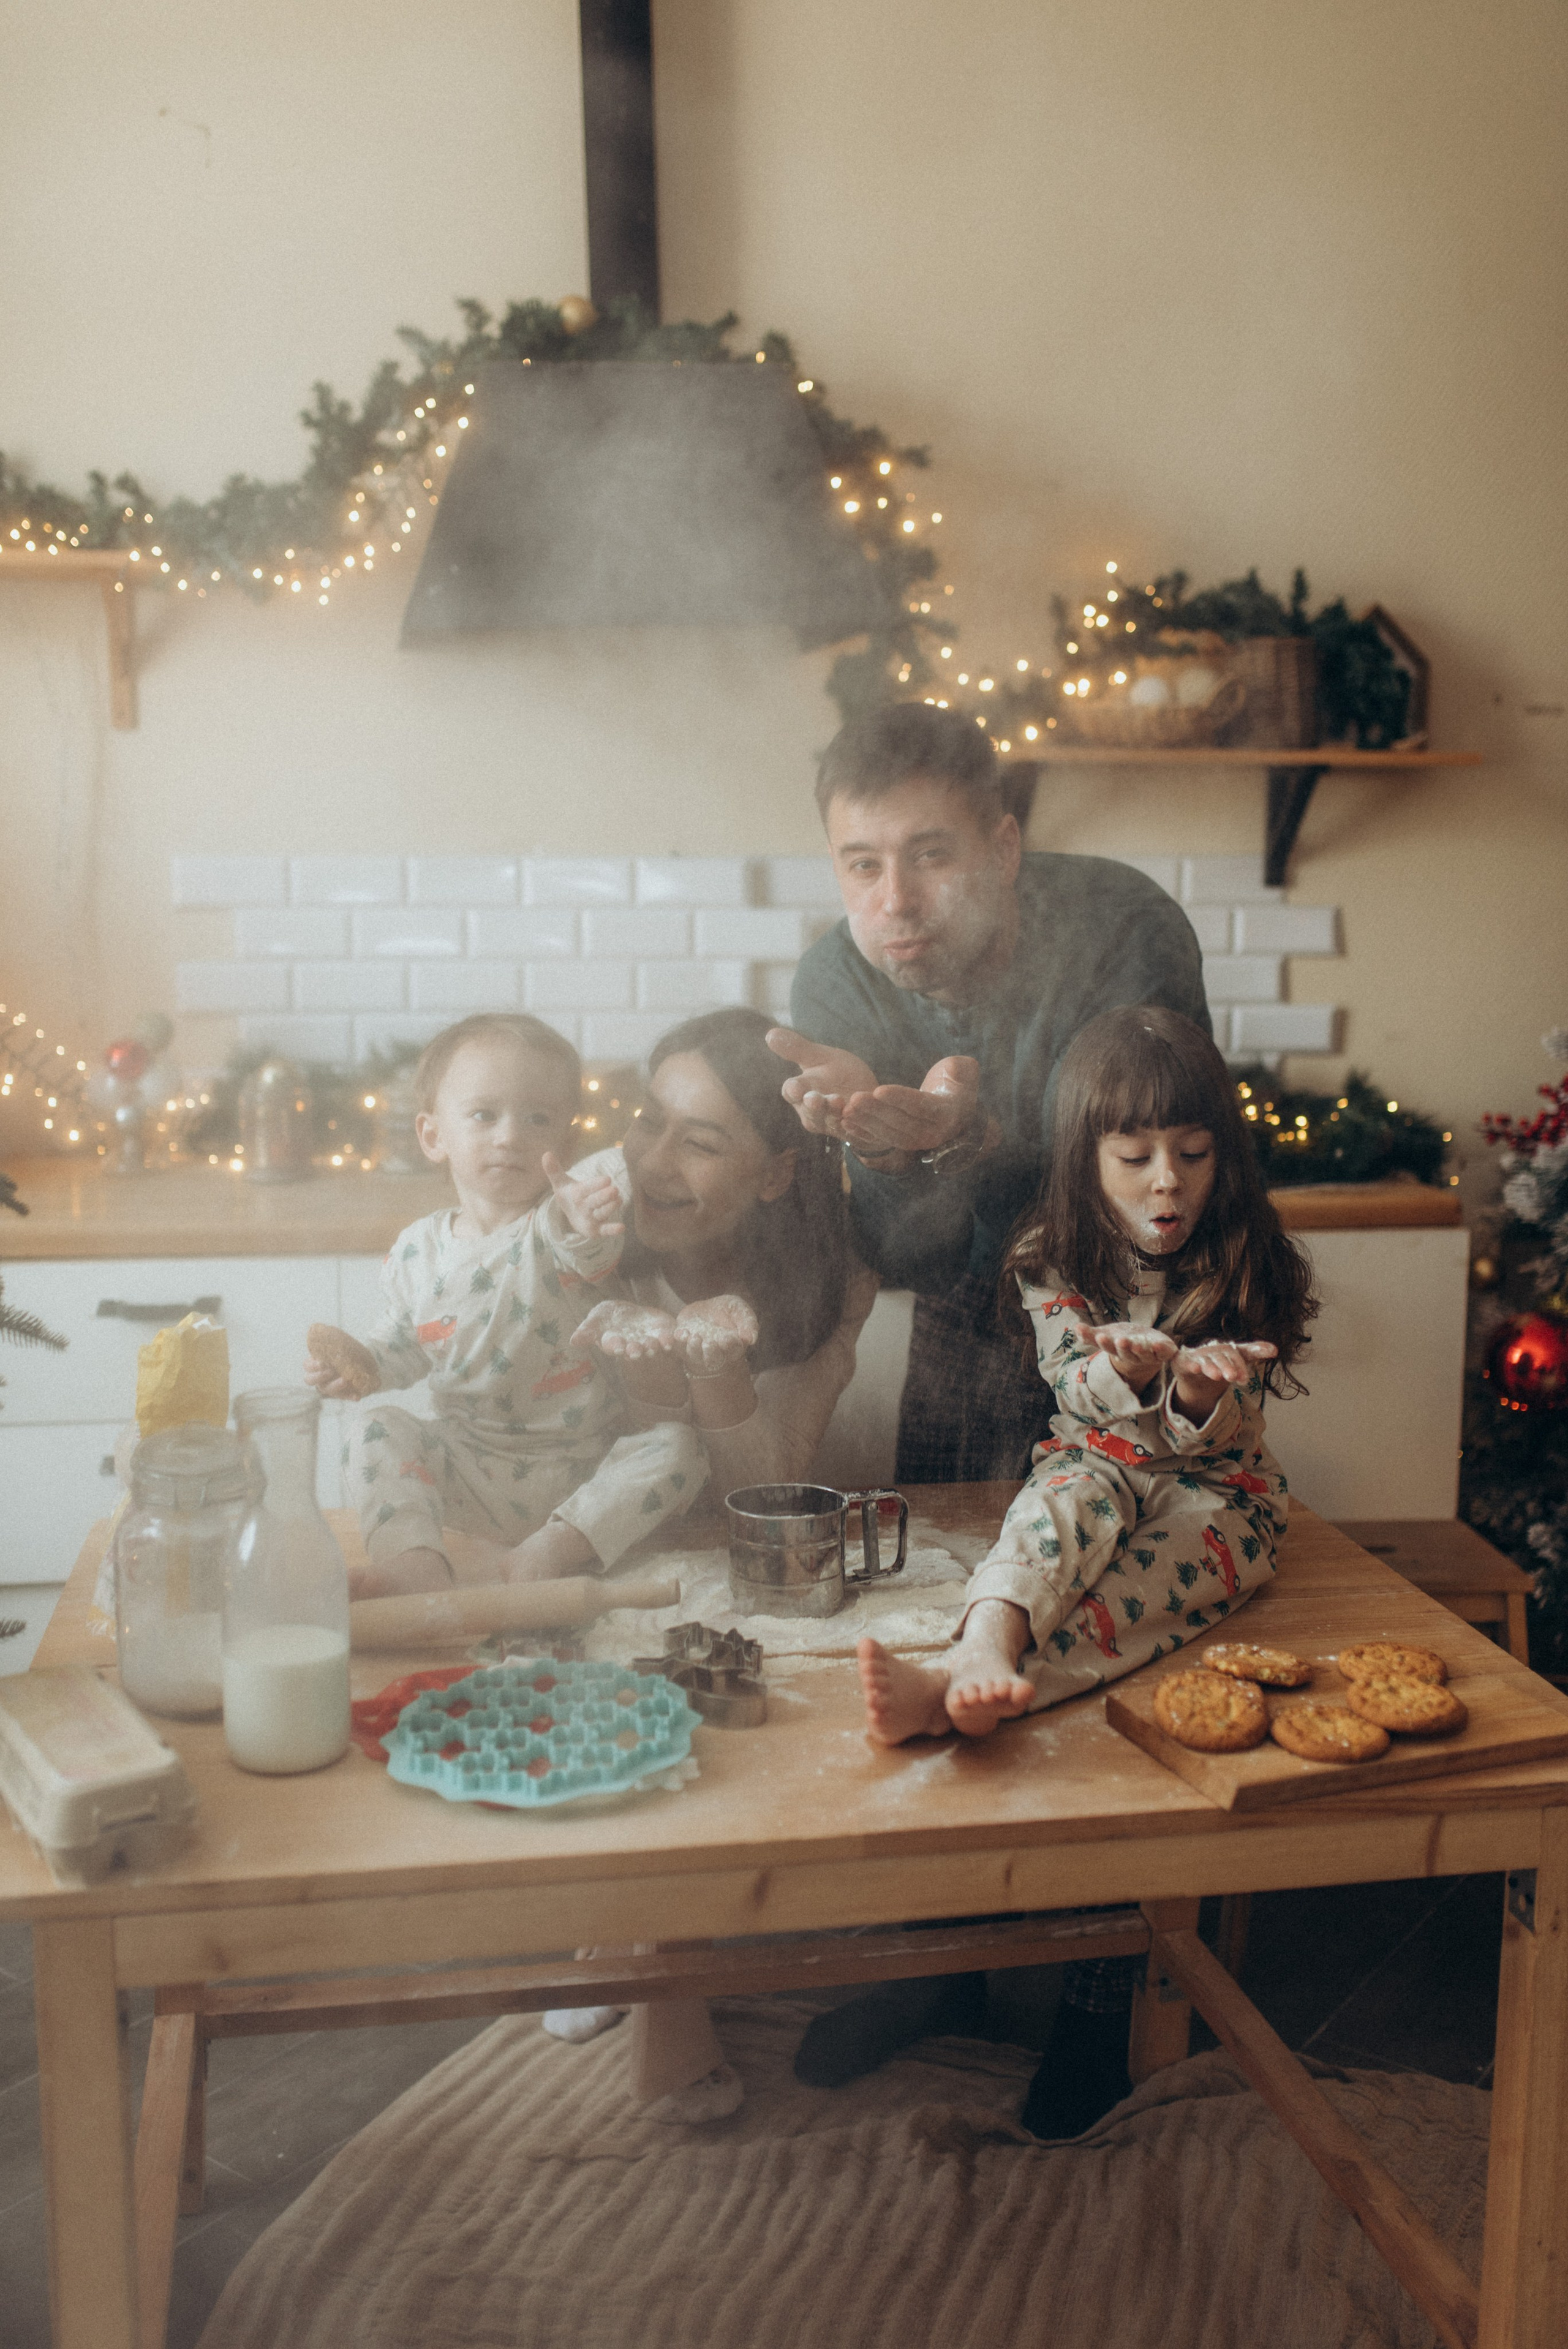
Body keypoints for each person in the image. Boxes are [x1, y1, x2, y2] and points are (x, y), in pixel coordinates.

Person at [839, 1004, 1316, 2135]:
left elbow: (1230, 1413)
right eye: (1135, 1155)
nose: (1168, 1183)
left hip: (1221, 1498)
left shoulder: (1247, 1253)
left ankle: (983, 1691)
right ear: (1084, 1155)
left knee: (1130, 1604)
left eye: (1192, 1154)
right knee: (1047, 1522)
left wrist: (1190, 1389)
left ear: (1223, 1156)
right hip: (1092, 1457)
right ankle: (980, 1646)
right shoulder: (1050, 1255)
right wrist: (1134, 1378)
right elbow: (1075, 1387)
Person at [538, 1007, 875, 2121]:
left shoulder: (832, 1286)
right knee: (624, 1669)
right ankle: (653, 1982)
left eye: (701, 1140)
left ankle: (632, 1951)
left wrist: (711, 1366)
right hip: (593, 1557)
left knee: (699, 1684)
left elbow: (764, 1495)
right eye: (649, 1123)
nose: (652, 1162)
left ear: (778, 1173)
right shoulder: (582, 1253)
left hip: (746, 1572)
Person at [767, 699, 1211, 1484]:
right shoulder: (836, 984)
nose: (895, 901)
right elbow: (914, 1260)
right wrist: (881, 1150)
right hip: (966, 1305)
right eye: (863, 865)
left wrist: (967, 1142)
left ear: (1003, 849)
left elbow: (1134, 1198)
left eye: (930, 855)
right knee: (946, 1542)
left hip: (1144, 1295)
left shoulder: (1123, 928)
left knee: (1156, 1536)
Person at [304, 1012, 707, 1597]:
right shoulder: (417, 1249)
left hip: (584, 1469)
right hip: (469, 1467)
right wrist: (360, 1366)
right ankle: (415, 1561)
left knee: (678, 1447)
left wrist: (586, 1218)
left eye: (537, 1118)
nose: (511, 1136)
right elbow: (404, 1345)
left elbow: (588, 1248)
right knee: (375, 1427)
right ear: (433, 1136)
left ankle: (550, 1551)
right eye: (484, 1115)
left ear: (565, 1142)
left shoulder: (556, 1224)